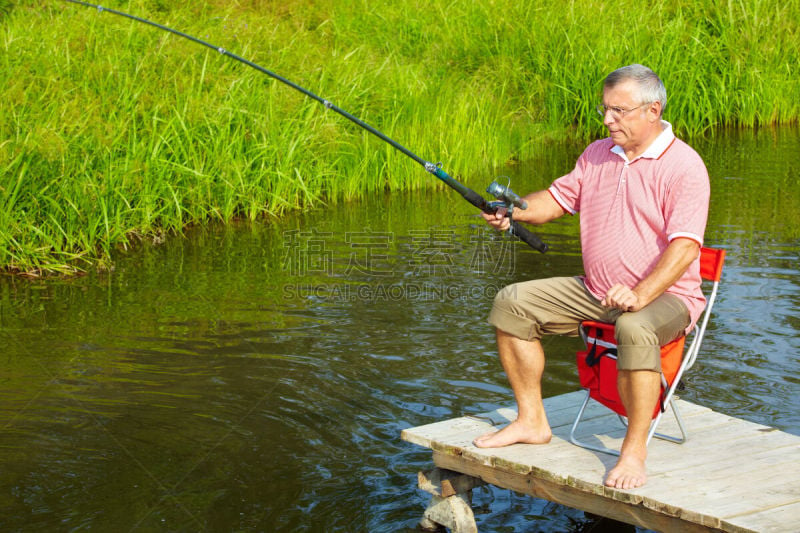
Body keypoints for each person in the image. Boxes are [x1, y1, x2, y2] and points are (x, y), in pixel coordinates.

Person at [475, 64, 710, 490]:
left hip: (666, 297)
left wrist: (640, 295)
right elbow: (554, 201)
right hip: (596, 291)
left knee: (635, 328)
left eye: (618, 111)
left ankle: (634, 450)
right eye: (605, 109)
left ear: (653, 110)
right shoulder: (597, 153)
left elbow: (686, 248)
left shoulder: (684, 166)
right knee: (512, 302)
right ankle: (532, 421)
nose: (607, 120)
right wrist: (514, 211)